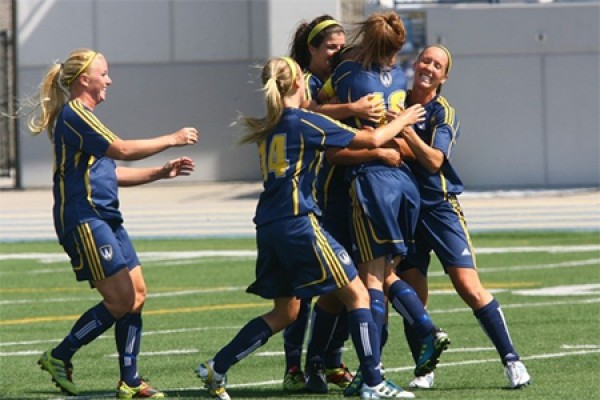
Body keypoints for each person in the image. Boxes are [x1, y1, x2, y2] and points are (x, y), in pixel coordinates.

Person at [195, 56, 425, 400]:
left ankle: (218, 367)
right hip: (297, 220)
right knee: (358, 293)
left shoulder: (270, 126)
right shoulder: (305, 121)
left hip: (268, 224)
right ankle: (374, 383)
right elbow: (374, 139)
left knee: (286, 311)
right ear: (301, 83)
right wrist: (406, 117)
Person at [28, 48, 199, 399]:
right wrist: (172, 138)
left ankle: (130, 381)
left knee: (136, 294)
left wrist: (160, 173)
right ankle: (60, 355)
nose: (109, 79)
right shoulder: (75, 113)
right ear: (83, 80)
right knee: (120, 299)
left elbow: (111, 172)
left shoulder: (87, 119)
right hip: (84, 218)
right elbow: (121, 149)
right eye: (103, 73)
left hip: (106, 217)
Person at [322, 12, 451, 396]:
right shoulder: (400, 80)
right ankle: (415, 336)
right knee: (384, 273)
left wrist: (352, 113)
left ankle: (373, 371)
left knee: (370, 280)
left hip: (371, 184)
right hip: (405, 186)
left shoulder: (345, 71)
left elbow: (313, 112)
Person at [395, 44, 532, 390]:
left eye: (437, 65)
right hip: (404, 211)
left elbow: (435, 161)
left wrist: (405, 130)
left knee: (469, 288)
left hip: (440, 207)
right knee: (414, 296)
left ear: (444, 76)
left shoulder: (443, 112)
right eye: (426, 60)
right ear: (416, 63)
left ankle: (512, 360)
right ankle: (424, 370)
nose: (429, 67)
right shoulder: (395, 98)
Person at [284, 15, 395, 394]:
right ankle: (295, 367)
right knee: (307, 288)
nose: (336, 53)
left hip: (338, 193)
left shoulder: (345, 76)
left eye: (339, 46)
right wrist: (356, 112)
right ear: (311, 50)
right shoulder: (301, 82)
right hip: (306, 196)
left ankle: (331, 360)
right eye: (329, 47)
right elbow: (300, 113)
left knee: (351, 283)